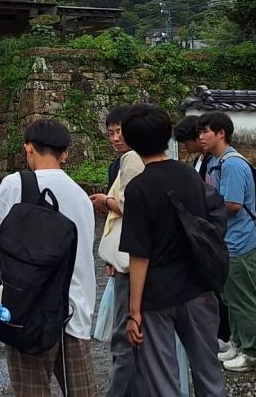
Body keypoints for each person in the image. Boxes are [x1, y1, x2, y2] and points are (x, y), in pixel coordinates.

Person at [0, 119, 97, 397]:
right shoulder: (81, 196)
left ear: (28, 148)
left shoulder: (16, 184)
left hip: (27, 309)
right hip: (74, 310)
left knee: (32, 391)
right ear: (65, 153)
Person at [118, 104, 227, 397]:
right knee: (208, 371)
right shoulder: (190, 174)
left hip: (158, 294)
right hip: (198, 285)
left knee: (161, 378)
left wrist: (134, 311)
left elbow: (140, 254)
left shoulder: (139, 188)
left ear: (130, 141)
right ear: (168, 136)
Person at [197, 111, 256, 373]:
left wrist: (202, 208)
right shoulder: (216, 162)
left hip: (240, 243)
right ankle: (238, 343)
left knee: (243, 299)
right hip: (227, 243)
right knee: (230, 297)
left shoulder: (233, 164)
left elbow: (234, 204)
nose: (201, 136)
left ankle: (252, 352)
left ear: (221, 133)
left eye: (205, 131)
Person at [92, 106, 146, 397]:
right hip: (128, 257)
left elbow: (129, 207)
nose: (115, 138)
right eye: (111, 132)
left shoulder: (133, 159)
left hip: (131, 260)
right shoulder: (126, 160)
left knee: (124, 332)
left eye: (120, 131)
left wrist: (106, 201)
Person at [175, 115, 231, 355]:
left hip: (219, 234)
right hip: (210, 233)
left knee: (224, 290)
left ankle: (227, 336)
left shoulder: (224, 162)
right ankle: (221, 334)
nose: (194, 142)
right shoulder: (203, 159)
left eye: (191, 141)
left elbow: (226, 202)